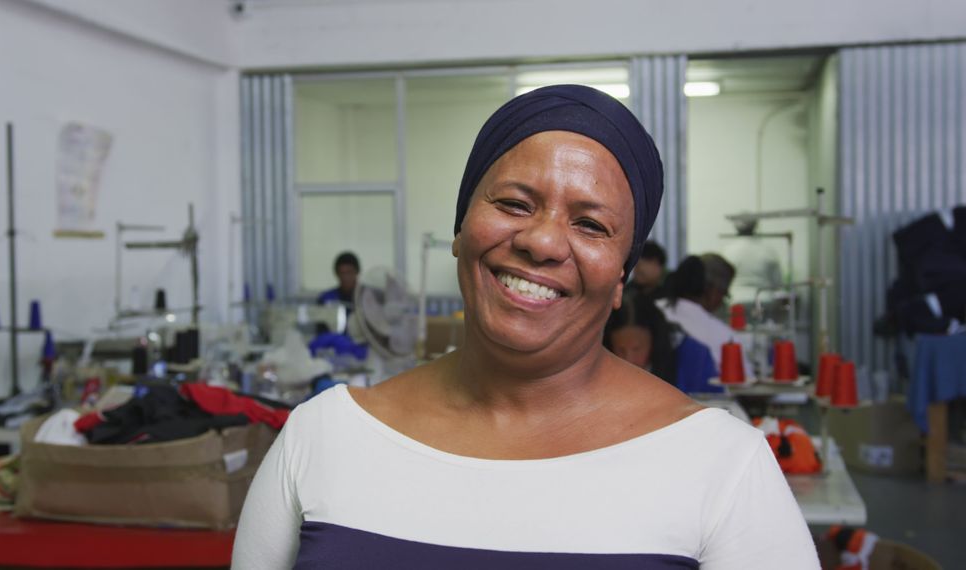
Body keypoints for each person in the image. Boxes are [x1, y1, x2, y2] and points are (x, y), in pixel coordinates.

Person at [233, 85, 817, 568]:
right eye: (513, 204)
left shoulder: (721, 467)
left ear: (620, 278)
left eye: (591, 224)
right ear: (461, 228)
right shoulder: (323, 438)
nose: (540, 241)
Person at [658, 254, 755, 378]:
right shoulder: (725, 337)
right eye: (723, 294)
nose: (720, 303)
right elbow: (745, 383)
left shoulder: (652, 310)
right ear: (712, 290)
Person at [604, 292, 721, 394]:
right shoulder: (599, 363)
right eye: (621, 350)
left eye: (637, 349)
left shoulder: (695, 358)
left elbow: (714, 406)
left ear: (655, 339)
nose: (629, 359)